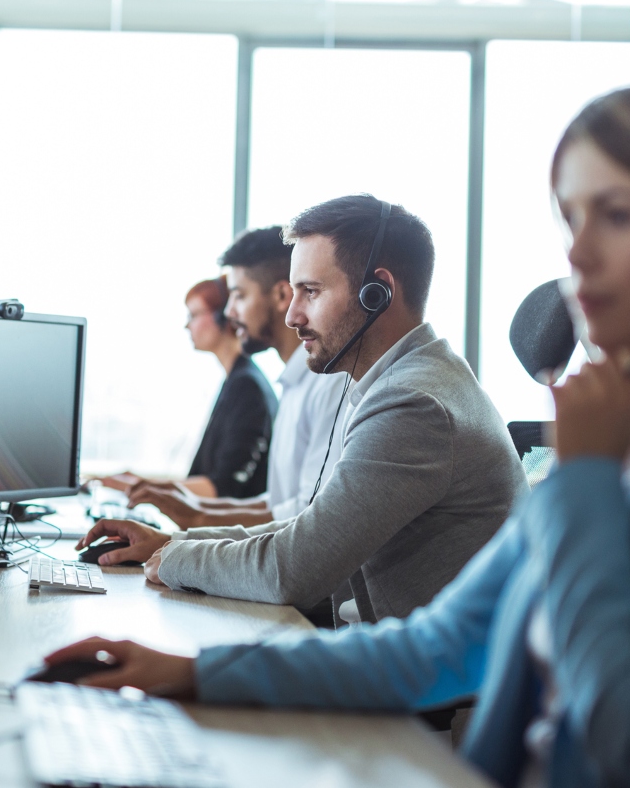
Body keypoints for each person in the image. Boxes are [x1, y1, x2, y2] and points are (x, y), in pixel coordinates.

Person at [47, 82, 630, 788]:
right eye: (571, 219)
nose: (577, 255)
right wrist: (192, 673)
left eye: (618, 216)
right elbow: (436, 648)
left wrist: (586, 479)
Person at [82, 196, 528, 626]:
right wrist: (174, 541)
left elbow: (291, 569)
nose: (292, 315)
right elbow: (308, 532)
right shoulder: (415, 380)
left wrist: (177, 558)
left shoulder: (413, 405)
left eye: (310, 292)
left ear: (379, 293)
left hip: (424, 693)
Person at [125, 226, 348, 529]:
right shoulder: (292, 384)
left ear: (281, 295)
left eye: (239, 296)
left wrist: (190, 527)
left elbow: (306, 517)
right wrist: (187, 506)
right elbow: (278, 503)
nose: (229, 312)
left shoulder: (327, 384)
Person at [151, 277, 277, 499]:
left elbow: (223, 487)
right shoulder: (234, 380)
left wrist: (144, 488)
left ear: (223, 316)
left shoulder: (247, 387)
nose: (186, 325)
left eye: (193, 315)